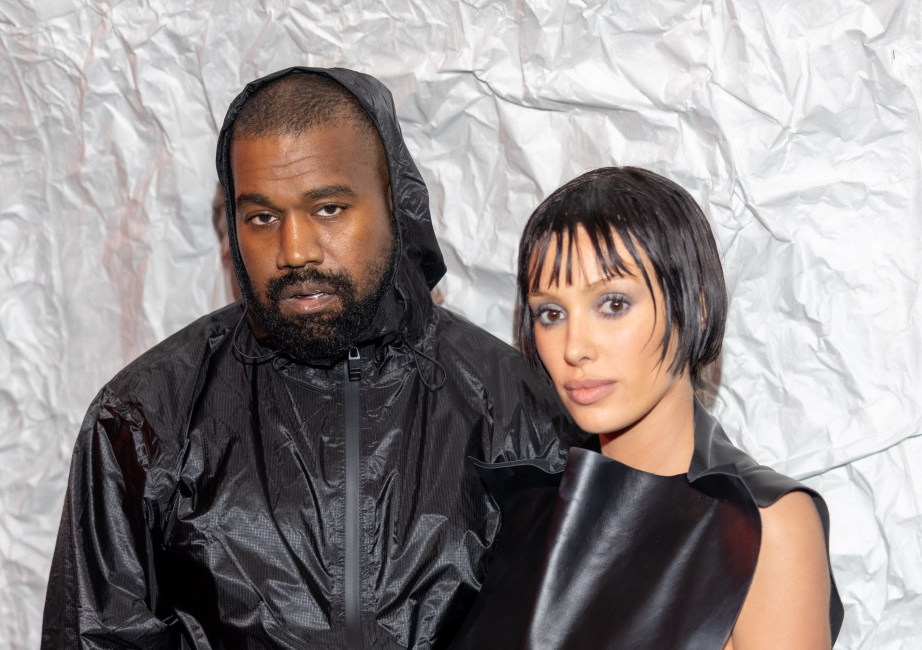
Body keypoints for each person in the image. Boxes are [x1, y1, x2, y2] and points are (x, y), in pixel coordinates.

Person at [41, 67, 573, 649]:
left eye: (329, 209)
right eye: (262, 218)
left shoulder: (519, 409)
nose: (294, 251)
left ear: (394, 204)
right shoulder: (146, 418)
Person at [451, 167, 843, 648]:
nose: (574, 347)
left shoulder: (763, 526)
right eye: (551, 314)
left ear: (695, 308)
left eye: (613, 304)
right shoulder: (527, 510)